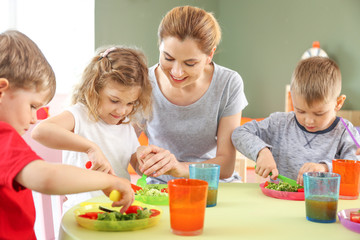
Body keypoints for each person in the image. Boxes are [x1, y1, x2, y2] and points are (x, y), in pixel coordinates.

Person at [0, 30, 134, 239]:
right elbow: (47, 177)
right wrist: (108, 181)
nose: (35, 118)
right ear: (1, 90)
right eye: (32, 106)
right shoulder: (3, 137)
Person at [31, 46, 152, 212]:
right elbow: (40, 131)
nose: (122, 111)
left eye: (130, 103)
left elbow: (135, 163)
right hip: (81, 212)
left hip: (117, 210)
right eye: (114, 101)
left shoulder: (124, 125)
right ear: (94, 89)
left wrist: (144, 160)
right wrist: (90, 147)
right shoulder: (80, 115)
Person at [136, 5, 248, 184]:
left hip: (213, 183)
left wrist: (180, 169)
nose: (177, 72)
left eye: (190, 63)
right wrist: (140, 155)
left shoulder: (228, 83)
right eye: (168, 58)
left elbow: (226, 166)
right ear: (160, 47)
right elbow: (124, 147)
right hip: (161, 185)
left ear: (209, 55)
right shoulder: (143, 83)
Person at [232, 56, 360, 185]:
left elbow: (355, 166)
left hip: (324, 202)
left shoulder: (345, 131)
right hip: (281, 200)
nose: (309, 121)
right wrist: (261, 151)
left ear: (338, 103)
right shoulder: (280, 123)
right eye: (300, 111)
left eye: (319, 113)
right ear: (292, 97)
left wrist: (325, 169)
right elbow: (239, 133)